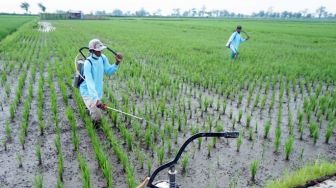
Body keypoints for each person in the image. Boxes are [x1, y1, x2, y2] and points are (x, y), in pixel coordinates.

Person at [79, 39, 123, 123]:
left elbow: (108, 71)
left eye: (101, 50)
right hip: (88, 91)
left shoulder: (102, 58)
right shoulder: (88, 63)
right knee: (97, 117)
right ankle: (94, 127)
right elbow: (89, 83)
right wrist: (96, 99)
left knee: (95, 108)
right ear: (92, 50)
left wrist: (117, 63)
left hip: (97, 90)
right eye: (97, 51)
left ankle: (90, 108)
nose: (100, 52)